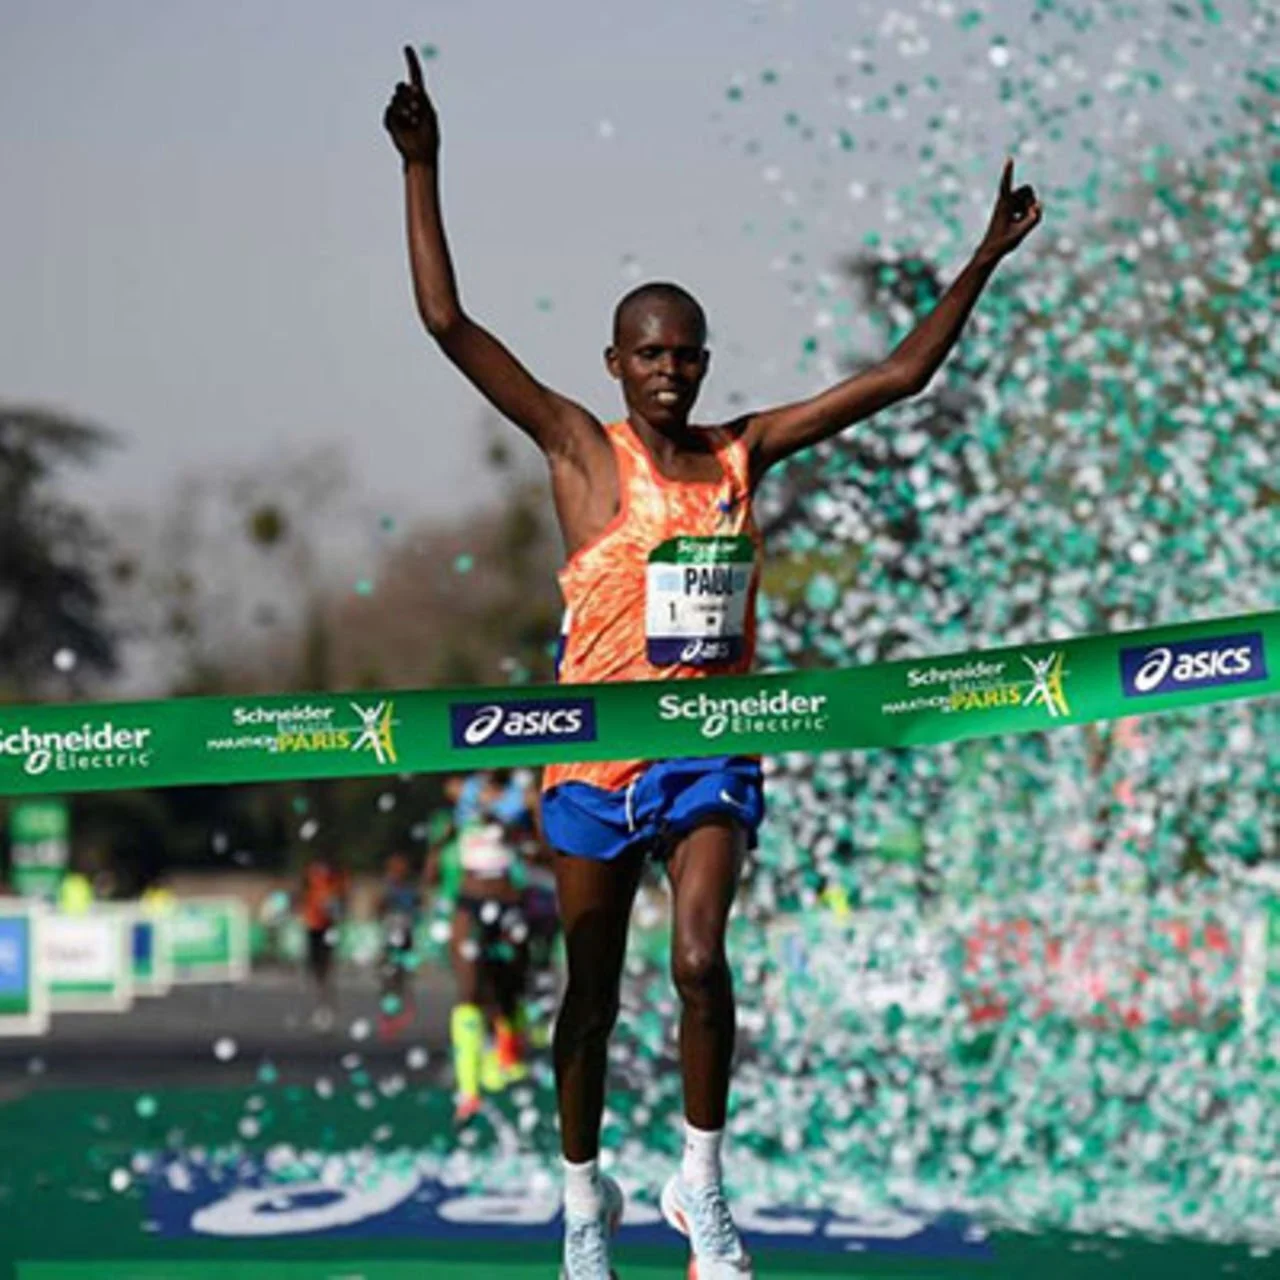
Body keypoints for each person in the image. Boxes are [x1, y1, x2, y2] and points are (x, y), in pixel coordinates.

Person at [384, 45, 1041, 1280]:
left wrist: (981, 258)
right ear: (614, 364)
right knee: (587, 998)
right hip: (591, 760)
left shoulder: (744, 450)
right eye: (649, 353)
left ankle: (701, 1185)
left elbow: (898, 377)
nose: (670, 370)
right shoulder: (579, 450)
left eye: (686, 353)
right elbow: (446, 323)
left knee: (696, 960)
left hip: (707, 750)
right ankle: (583, 1201)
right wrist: (422, 167)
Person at [297, 849, 349, 1032]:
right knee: (316, 969)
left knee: (327, 968)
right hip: (313, 926)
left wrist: (337, 913)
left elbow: (342, 901)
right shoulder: (311, 874)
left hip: (328, 927)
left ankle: (327, 1007)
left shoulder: (338, 879)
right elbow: (304, 893)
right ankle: (320, 1006)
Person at [375, 850, 422, 1040]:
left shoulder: (410, 890)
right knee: (388, 978)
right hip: (390, 939)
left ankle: (399, 1014)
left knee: (403, 978)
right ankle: (387, 1016)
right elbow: (378, 909)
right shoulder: (387, 889)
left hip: (406, 938)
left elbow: (418, 908)